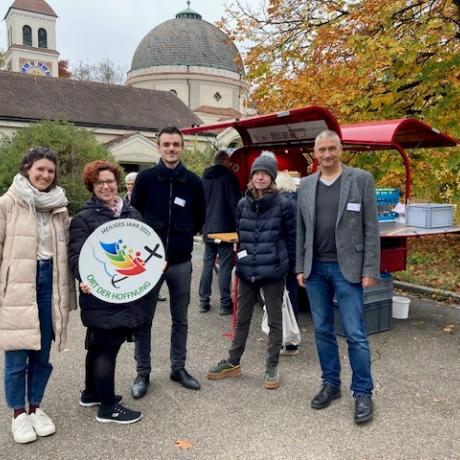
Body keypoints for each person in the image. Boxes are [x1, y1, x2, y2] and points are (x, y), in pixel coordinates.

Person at [295, 129, 380, 424]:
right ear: (315, 153)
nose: (327, 154)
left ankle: (363, 392)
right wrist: (299, 266)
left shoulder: (360, 179)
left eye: (332, 148)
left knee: (356, 334)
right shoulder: (305, 185)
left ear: (340, 149)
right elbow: (301, 230)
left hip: (349, 269)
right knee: (321, 331)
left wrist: (370, 268)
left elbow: (371, 228)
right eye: (322, 150)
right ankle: (331, 384)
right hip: (315, 268)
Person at [0, 147, 75, 444]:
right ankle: (18, 414)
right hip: (18, 283)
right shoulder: (7, 203)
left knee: (42, 354)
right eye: (40, 169)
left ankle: (35, 407)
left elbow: (66, 252)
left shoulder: (59, 207)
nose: (45, 175)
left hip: (50, 283)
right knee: (17, 354)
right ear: (27, 169)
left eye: (50, 171)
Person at [69, 160, 150, 424]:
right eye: (99, 182)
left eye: (110, 181)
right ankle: (107, 408)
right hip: (101, 295)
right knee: (106, 348)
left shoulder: (130, 213)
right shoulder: (84, 218)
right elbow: (77, 257)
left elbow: (143, 247)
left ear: (117, 182)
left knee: (97, 346)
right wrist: (83, 277)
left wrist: (154, 266)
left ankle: (92, 393)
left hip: (124, 293)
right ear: (92, 186)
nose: (106, 186)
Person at [207, 151, 296, 389]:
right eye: (257, 173)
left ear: (272, 178)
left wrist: (290, 267)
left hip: (273, 270)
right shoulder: (242, 204)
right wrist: (241, 260)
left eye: (265, 173)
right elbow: (242, 236)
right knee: (242, 318)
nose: (260, 177)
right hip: (247, 270)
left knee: (275, 320)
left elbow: (292, 238)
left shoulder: (284, 205)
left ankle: (271, 367)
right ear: (251, 176)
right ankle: (233, 362)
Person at [130, 126, 205, 398]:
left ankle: (178, 368)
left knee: (180, 318)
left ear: (182, 147)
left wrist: (183, 236)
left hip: (181, 262)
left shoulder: (194, 182)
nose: (171, 149)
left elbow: (199, 218)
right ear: (158, 147)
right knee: (144, 319)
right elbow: (134, 216)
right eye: (166, 144)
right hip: (148, 263)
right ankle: (143, 372)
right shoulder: (146, 179)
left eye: (176, 144)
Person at [199, 149, 241, 315]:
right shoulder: (229, 178)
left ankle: (203, 301)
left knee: (207, 264)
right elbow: (235, 205)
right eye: (229, 160)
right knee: (225, 265)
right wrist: (239, 228)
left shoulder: (204, 179)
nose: (231, 163)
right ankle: (225, 303)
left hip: (208, 228)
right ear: (224, 160)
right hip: (225, 230)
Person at [124, 171, 167, 302]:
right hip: (128, 239)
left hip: (145, 237)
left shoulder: (150, 199)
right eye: (128, 184)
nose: (131, 186)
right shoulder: (120, 201)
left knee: (147, 265)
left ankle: (153, 291)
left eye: (133, 184)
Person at [275, 170, 301, 355]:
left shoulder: (282, 204)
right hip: (296, 255)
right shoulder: (298, 201)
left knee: (284, 298)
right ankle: (291, 338)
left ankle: (289, 341)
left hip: (284, 256)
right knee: (292, 296)